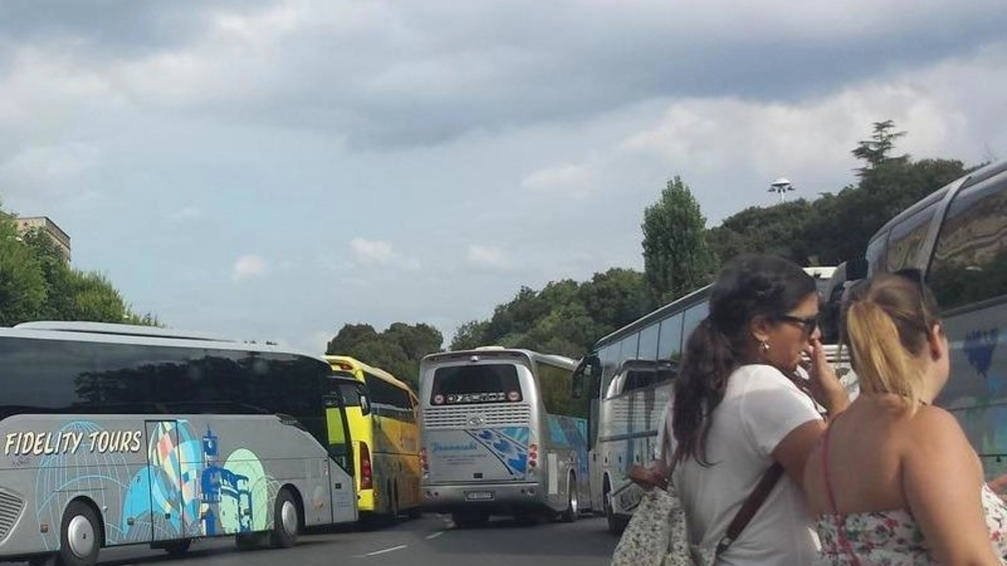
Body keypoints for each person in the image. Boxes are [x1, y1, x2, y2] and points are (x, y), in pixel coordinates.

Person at [632, 254, 850, 564]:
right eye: (808, 323)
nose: (816, 335)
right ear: (761, 326)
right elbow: (842, 490)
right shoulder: (765, 391)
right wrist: (838, 403)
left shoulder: (685, 397)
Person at [803, 272, 1007, 565]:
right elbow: (969, 560)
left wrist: (981, 503)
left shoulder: (825, 446)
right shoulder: (924, 427)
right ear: (935, 338)